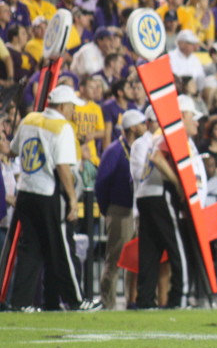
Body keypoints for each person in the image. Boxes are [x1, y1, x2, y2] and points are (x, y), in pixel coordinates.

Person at [7, 85, 100, 312]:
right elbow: (63, 168)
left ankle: (21, 302)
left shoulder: (29, 119)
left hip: (26, 192)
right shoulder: (62, 128)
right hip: (49, 193)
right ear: (62, 106)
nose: (73, 112)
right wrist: (71, 200)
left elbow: (13, 150)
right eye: (71, 107)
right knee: (62, 249)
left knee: (30, 249)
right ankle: (75, 300)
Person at [132, 95, 205, 309]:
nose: (196, 122)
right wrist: (178, 184)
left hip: (146, 195)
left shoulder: (159, 134)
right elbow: (157, 157)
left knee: (150, 252)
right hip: (160, 193)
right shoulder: (172, 132)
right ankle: (179, 299)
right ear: (181, 116)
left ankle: (144, 301)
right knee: (178, 250)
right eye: (193, 116)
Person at [95, 108, 146, 310]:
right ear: (133, 127)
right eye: (142, 124)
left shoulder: (138, 148)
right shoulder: (115, 151)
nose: (145, 126)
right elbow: (101, 183)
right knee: (115, 259)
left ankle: (131, 300)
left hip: (134, 211)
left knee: (134, 260)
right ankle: (108, 303)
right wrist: (107, 210)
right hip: (120, 210)